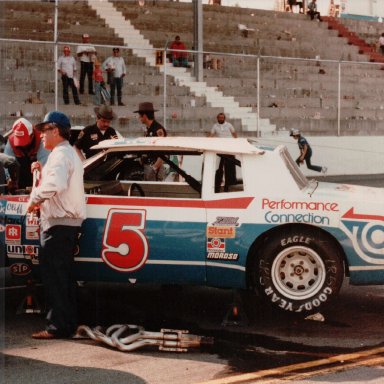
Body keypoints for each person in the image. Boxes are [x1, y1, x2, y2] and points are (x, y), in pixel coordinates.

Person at [27, 111, 86, 340]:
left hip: (59, 224)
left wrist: (34, 199)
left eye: (44, 130)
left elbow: (57, 184)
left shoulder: (61, 154)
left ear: (55, 130)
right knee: (64, 276)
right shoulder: (67, 153)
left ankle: (57, 327)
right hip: (66, 223)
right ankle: (67, 323)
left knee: (55, 277)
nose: (41, 135)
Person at [4, 118, 50, 189]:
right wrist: (9, 179)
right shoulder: (11, 141)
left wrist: (40, 183)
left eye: (24, 141)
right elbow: (6, 163)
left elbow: (44, 163)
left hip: (36, 174)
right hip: (19, 175)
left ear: (32, 135)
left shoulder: (40, 139)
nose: (23, 145)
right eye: (20, 142)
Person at [133, 102, 167, 181]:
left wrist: (154, 168)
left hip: (154, 167)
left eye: (140, 116)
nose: (139, 118)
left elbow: (163, 152)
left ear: (144, 116)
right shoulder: (148, 129)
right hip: (148, 166)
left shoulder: (158, 130)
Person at [209, 113, 237, 192]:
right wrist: (206, 141)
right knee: (219, 167)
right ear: (217, 118)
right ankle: (217, 185)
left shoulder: (229, 125)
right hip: (220, 148)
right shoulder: (215, 126)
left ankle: (229, 185)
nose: (221, 119)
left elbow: (234, 133)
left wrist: (236, 143)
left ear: (224, 118)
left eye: (222, 118)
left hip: (229, 148)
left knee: (229, 167)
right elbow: (211, 134)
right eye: (219, 118)